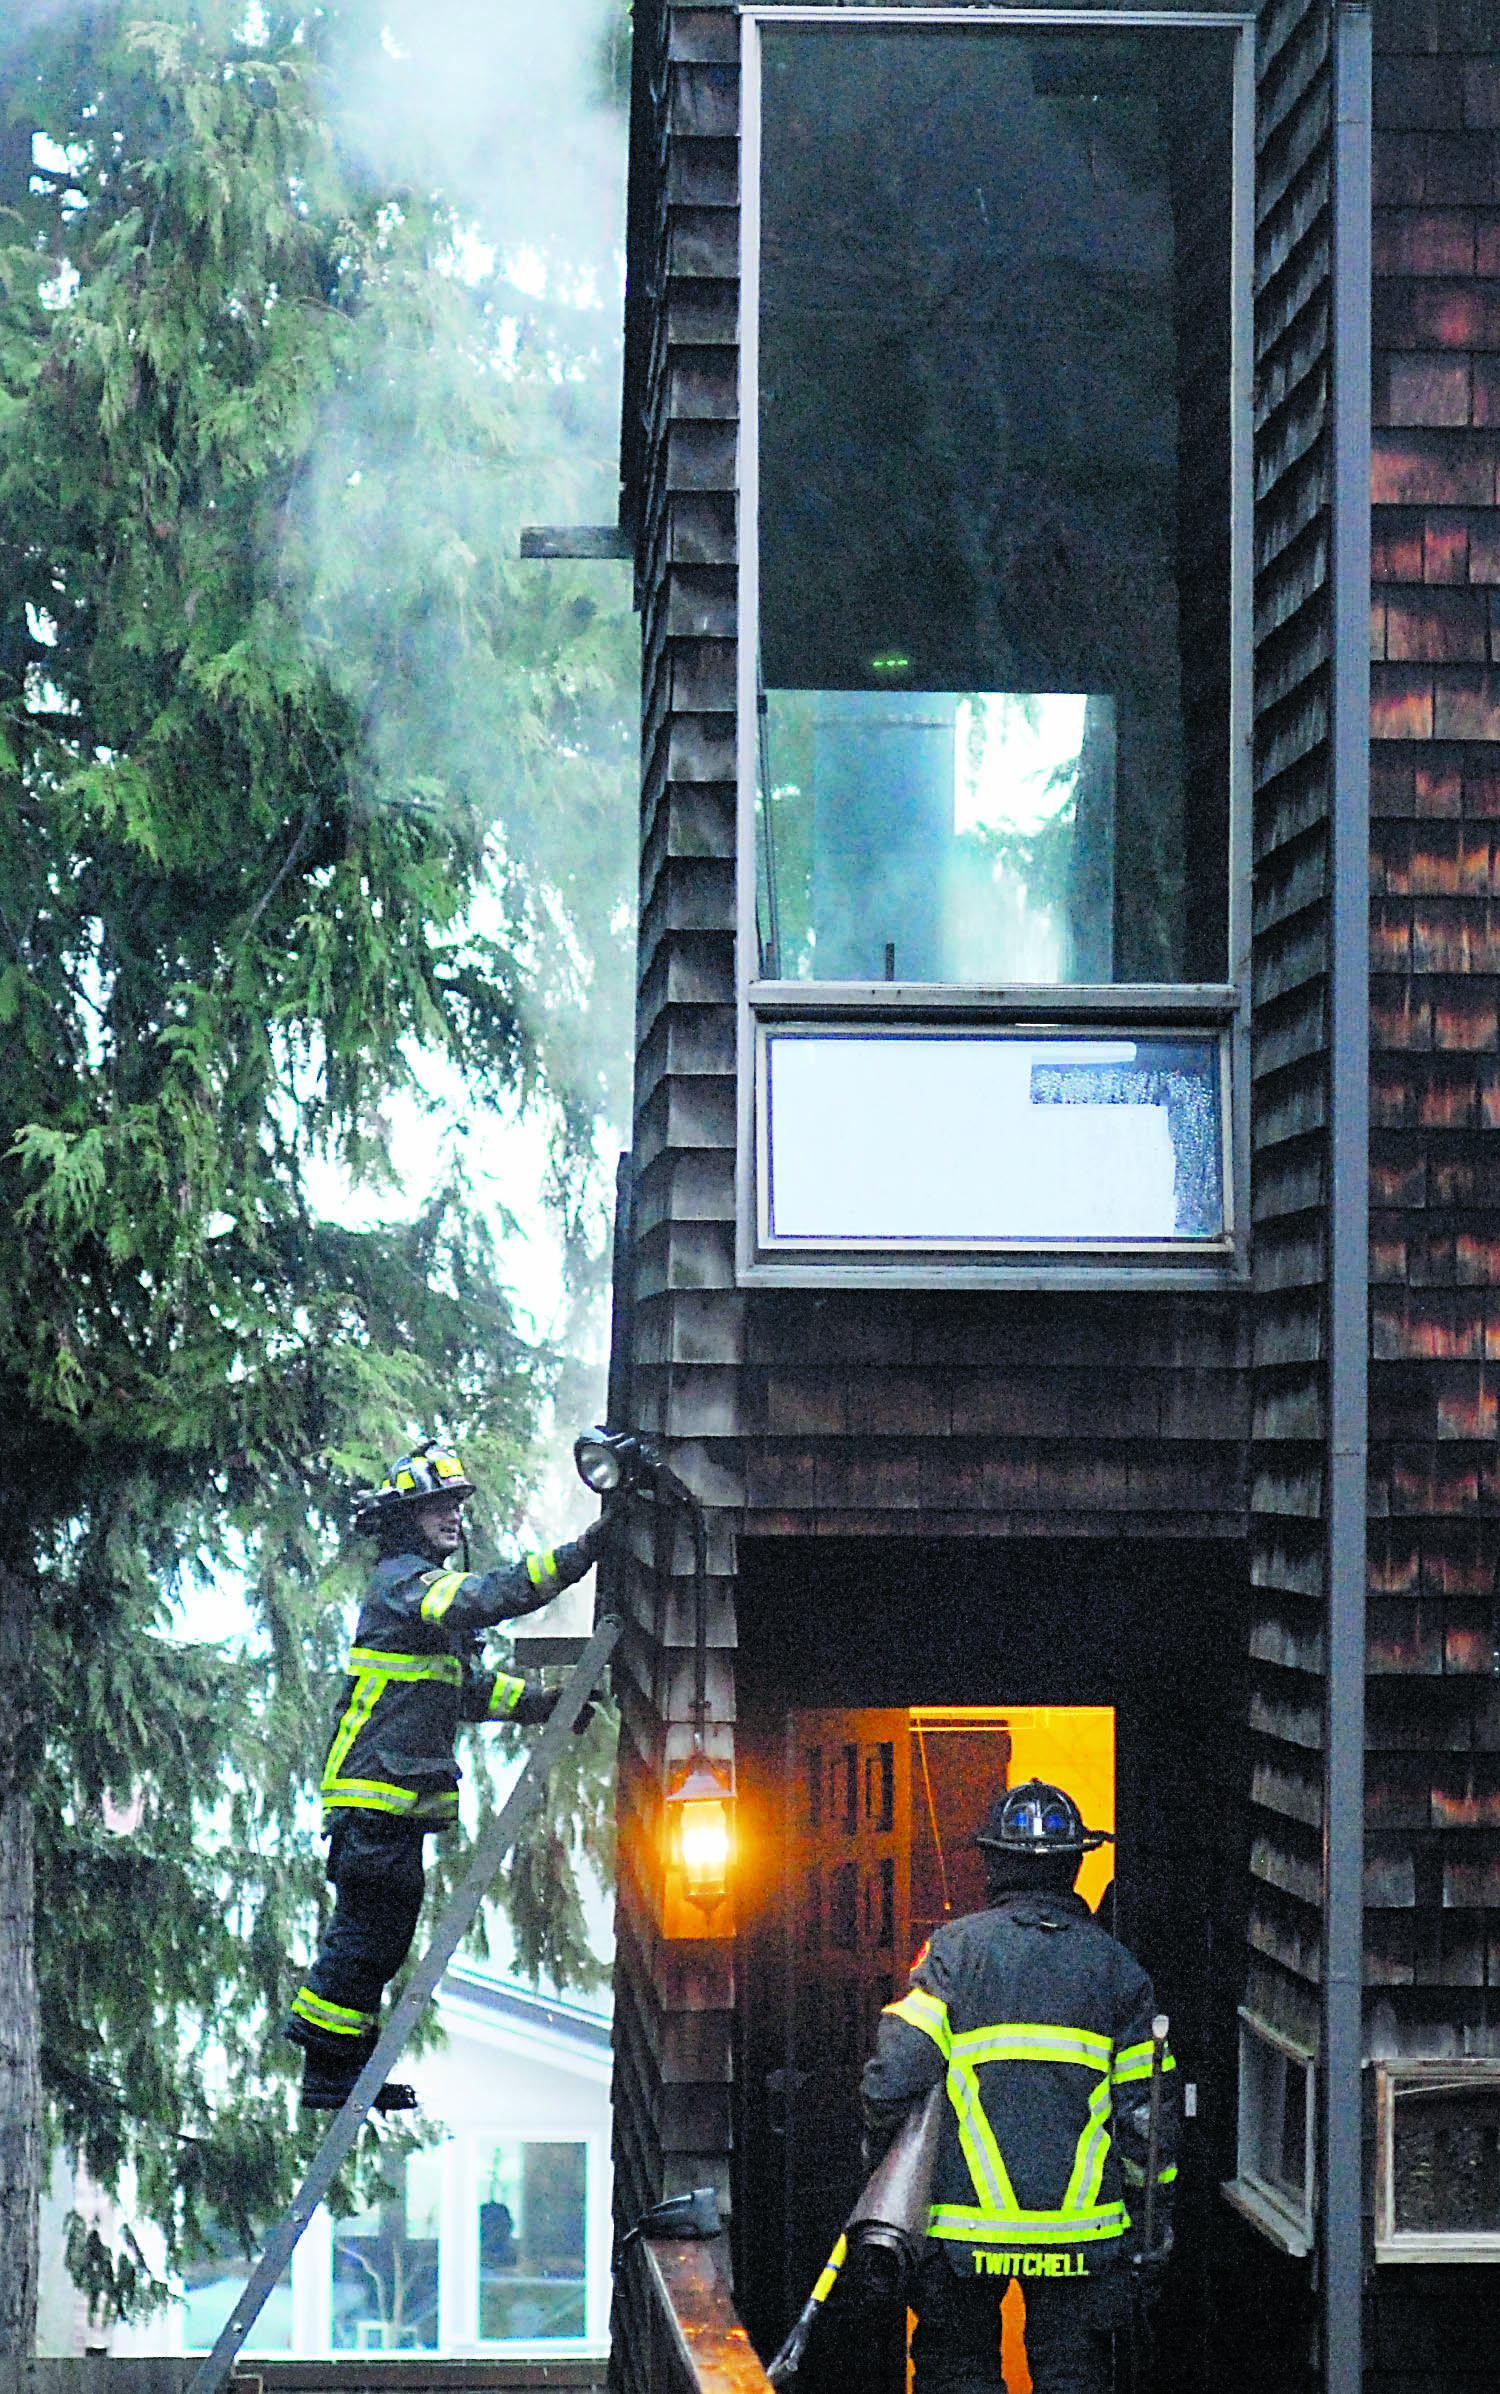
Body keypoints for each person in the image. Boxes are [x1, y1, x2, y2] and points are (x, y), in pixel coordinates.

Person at [285, 1438, 614, 2110]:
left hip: (395, 1801)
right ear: (406, 1518)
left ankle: (346, 2067)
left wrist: (541, 1705)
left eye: (457, 1505)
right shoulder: (406, 1584)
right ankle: (327, 2071)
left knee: (381, 1938)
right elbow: (488, 1596)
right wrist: (582, 1554)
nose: (453, 1517)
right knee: (365, 1937)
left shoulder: (419, 1601)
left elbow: (465, 1691)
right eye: (438, 1505)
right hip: (374, 1795)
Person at [860, 1780, 1177, 2394]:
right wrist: (1149, 2237)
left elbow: (891, 2081)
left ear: (992, 1863)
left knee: (959, 2377)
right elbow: (1149, 2125)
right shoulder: (1119, 1972)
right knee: (1072, 2380)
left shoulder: (953, 1951)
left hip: (962, 2233)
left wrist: (881, 2163)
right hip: (1080, 2240)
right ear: (1076, 1866)